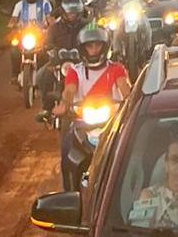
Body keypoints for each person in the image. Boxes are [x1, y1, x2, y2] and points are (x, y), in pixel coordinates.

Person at [53, 25, 131, 186]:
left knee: (133, 152)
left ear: (105, 46)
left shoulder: (117, 69)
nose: (94, 50)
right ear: (83, 49)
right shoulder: (75, 71)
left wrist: (130, 103)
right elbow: (69, 90)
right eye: (90, 46)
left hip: (114, 123)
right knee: (67, 150)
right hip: (82, 124)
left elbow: (125, 90)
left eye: (97, 45)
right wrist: (64, 105)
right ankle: (70, 193)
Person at [36, 0, 87, 113]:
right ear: (63, 13)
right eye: (69, 13)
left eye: (74, 13)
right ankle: (46, 109)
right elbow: (47, 42)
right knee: (41, 76)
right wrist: (49, 48)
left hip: (81, 62)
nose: (72, 16)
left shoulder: (87, 26)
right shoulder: (54, 28)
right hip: (58, 61)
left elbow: (94, 39)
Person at [8, 0, 53, 82]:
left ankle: (44, 77)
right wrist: (12, 25)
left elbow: (50, 18)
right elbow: (13, 19)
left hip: (41, 35)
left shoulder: (45, 4)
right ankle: (15, 75)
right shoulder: (19, 5)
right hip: (23, 35)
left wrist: (51, 26)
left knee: (46, 53)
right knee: (14, 51)